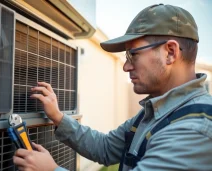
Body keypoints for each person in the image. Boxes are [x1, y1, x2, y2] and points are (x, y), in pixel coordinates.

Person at [13, 4, 212, 171]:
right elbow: (106, 148)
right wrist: (58, 116)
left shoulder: (194, 129)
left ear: (170, 52)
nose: (126, 66)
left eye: (133, 54)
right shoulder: (154, 112)